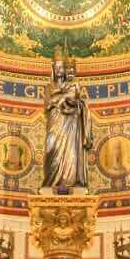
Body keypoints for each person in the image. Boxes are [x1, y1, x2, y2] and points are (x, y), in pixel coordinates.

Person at [42, 54, 92, 191]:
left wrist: (65, 100)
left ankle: (69, 180)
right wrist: (60, 98)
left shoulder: (73, 85)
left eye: (61, 67)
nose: (59, 70)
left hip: (70, 122)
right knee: (50, 147)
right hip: (55, 120)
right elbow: (47, 104)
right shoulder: (49, 87)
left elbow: (75, 100)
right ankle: (51, 182)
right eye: (57, 67)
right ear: (53, 69)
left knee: (71, 150)